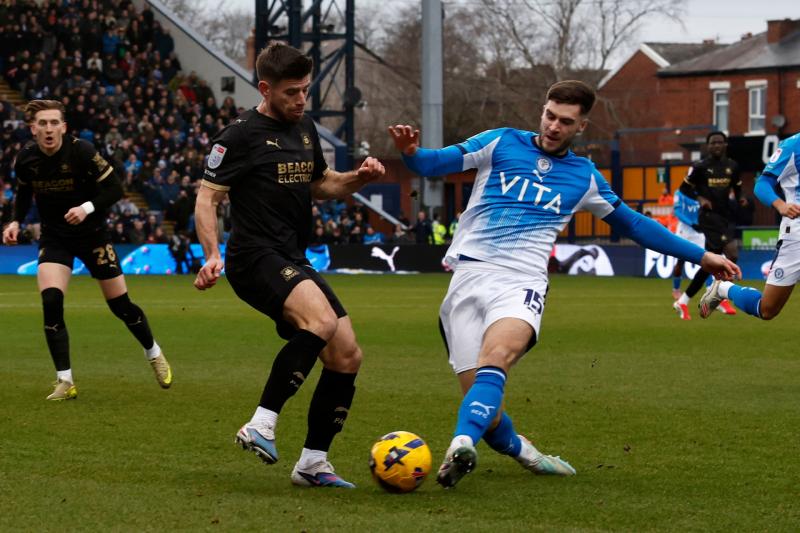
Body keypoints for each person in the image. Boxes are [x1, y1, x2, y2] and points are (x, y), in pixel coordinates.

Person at [388, 80, 739, 489]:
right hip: (468, 278)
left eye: (565, 121)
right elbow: (434, 163)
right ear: (543, 110)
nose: (554, 126)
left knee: (497, 355)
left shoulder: (583, 176)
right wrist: (410, 153)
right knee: (488, 409)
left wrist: (704, 256)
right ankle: (526, 453)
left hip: (522, 282)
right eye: (550, 115)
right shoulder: (500, 142)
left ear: (581, 126)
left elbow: (636, 225)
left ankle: (460, 444)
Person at [193, 42, 385, 488]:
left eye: (305, 90)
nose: (301, 100)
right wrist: (211, 254)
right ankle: (260, 423)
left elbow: (322, 184)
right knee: (319, 322)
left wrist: (360, 177)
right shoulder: (239, 135)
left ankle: (313, 463)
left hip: (292, 257)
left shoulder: (305, 129)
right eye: (292, 92)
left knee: (347, 353)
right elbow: (207, 197)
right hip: (253, 256)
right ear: (265, 88)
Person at [1, 100, 171, 401]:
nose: (49, 129)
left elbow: (115, 189)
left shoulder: (82, 151)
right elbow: (25, 192)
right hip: (55, 238)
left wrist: (85, 208)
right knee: (51, 300)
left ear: (64, 127)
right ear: (33, 129)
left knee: (121, 306)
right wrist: (13, 220)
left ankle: (153, 352)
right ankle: (65, 381)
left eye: (55, 123)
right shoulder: (26, 159)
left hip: (92, 235)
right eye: (43, 123)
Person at [699, 132, 800, 320]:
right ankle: (723, 288)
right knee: (767, 309)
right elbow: (762, 184)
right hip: (796, 235)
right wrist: (781, 205)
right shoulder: (793, 145)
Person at [673, 131, 744, 318]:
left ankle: (684, 301)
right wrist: (700, 197)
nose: (716, 145)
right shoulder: (700, 167)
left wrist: (741, 198)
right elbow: (684, 189)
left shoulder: (732, 166)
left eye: (720, 142)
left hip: (724, 217)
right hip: (708, 218)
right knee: (732, 252)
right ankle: (718, 295)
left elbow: (737, 188)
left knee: (709, 265)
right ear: (708, 146)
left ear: (725, 144)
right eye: (713, 143)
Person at [670, 188, 704, 313]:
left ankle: (711, 292)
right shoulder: (679, 193)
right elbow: (677, 211)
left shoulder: (702, 191)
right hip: (684, 231)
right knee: (680, 262)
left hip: (699, 232)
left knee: (708, 261)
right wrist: (691, 223)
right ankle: (676, 289)